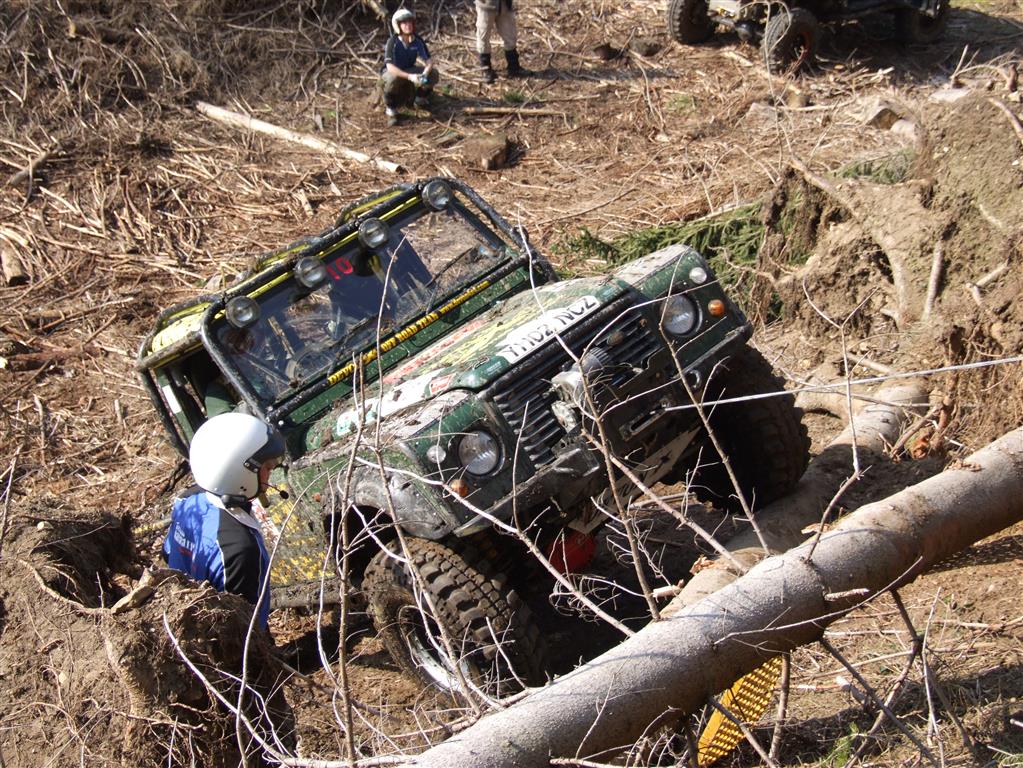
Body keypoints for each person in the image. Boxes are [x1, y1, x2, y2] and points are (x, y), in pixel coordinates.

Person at [162, 412, 286, 630]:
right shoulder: (240, 550)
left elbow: (168, 552)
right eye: (266, 467)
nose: (270, 474)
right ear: (240, 473)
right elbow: (245, 631)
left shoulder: (188, 500)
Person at [382, 8, 439, 127]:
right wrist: (410, 77)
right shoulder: (392, 42)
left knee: (433, 74)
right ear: (398, 25)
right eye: (404, 23)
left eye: (410, 22)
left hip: (410, 69)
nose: (408, 25)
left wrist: (425, 73)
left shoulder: (417, 40)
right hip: (394, 72)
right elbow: (390, 67)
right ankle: (391, 108)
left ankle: (420, 98)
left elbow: (429, 61)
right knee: (392, 79)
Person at [475, 0, 526, 83]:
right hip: (486, 6)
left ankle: (514, 67)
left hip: (505, 5)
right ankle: (486, 69)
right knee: (483, 36)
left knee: (510, 35)